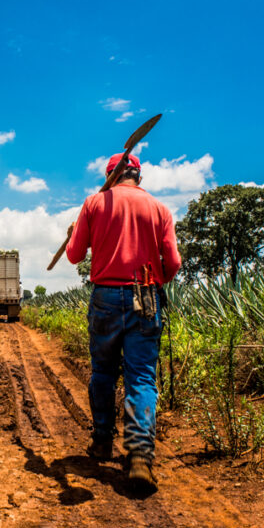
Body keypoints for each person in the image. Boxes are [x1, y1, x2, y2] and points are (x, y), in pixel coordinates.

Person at [66, 153, 181, 489]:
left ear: (110, 176)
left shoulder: (94, 203)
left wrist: (74, 232)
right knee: (141, 378)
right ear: (139, 178)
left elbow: (74, 255)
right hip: (145, 296)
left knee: (103, 372)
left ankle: (102, 441)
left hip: (105, 296)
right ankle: (140, 456)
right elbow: (172, 262)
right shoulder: (160, 209)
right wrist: (158, 279)